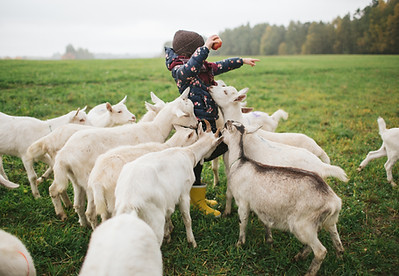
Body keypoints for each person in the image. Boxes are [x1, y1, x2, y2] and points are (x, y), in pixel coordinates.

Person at [165, 30, 259, 217]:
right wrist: (206, 48)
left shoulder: (201, 67)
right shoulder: (180, 70)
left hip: (207, 119)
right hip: (194, 123)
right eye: (198, 49)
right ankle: (197, 200)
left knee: (211, 153)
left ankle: (198, 196)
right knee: (197, 162)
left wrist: (241, 61)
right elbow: (190, 68)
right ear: (190, 52)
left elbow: (219, 66)